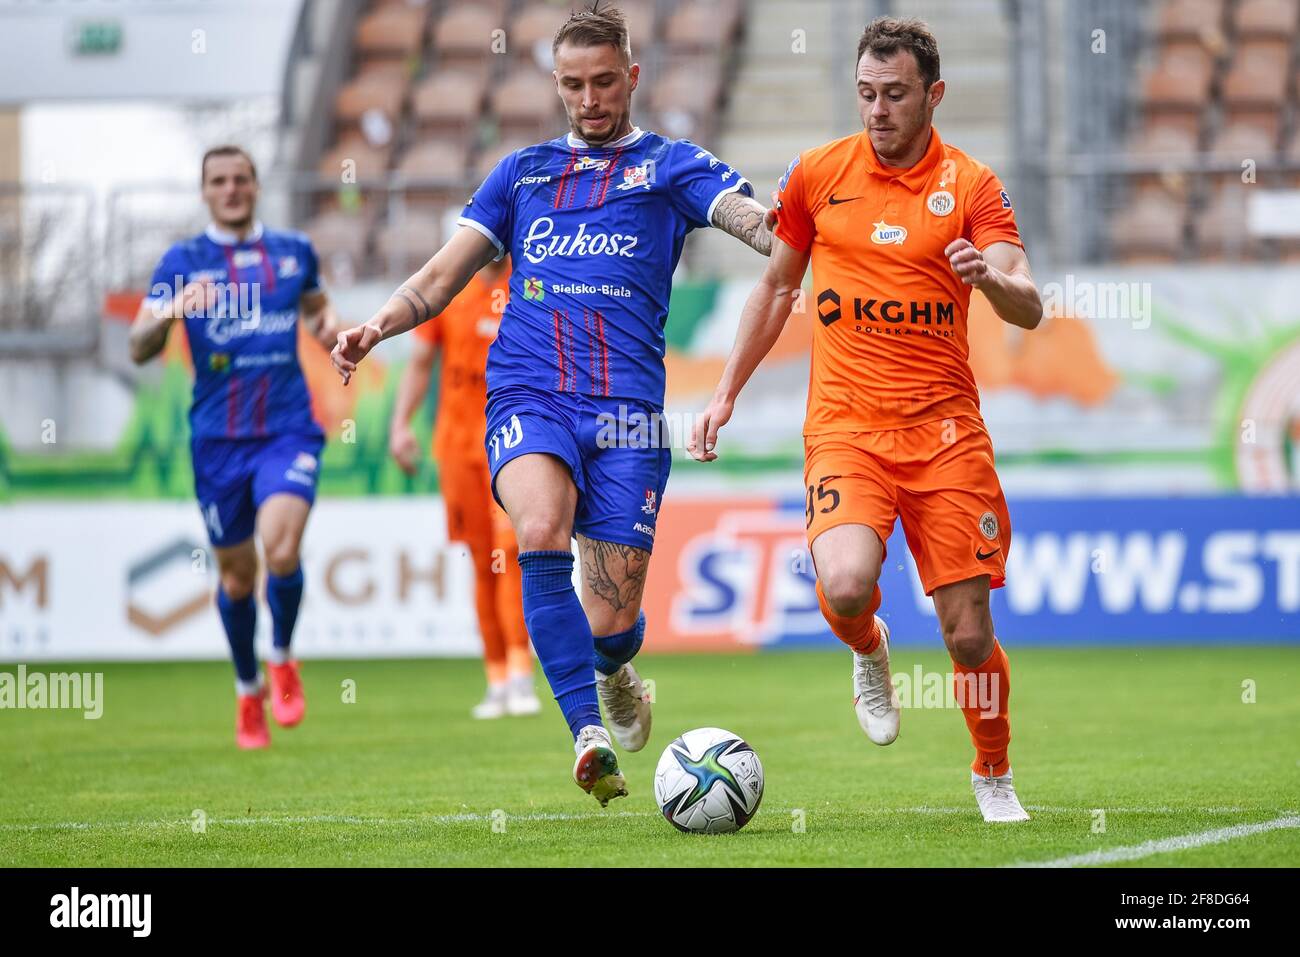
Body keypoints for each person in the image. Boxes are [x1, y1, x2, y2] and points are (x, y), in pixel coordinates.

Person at [331, 4, 773, 805]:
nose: (590, 98)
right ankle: (588, 735)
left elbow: (749, 219)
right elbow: (439, 277)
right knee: (537, 527)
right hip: (530, 392)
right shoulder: (523, 174)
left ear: (632, 76)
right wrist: (378, 326)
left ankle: (613, 670)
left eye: (605, 81)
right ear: (557, 85)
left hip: (629, 413)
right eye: (573, 84)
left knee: (611, 619)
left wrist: (788, 237)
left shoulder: (669, 166)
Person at [690, 17, 1043, 822]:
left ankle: (992, 770)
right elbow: (778, 288)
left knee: (965, 634)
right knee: (845, 586)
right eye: (866, 94)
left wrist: (987, 276)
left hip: (947, 435)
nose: (877, 110)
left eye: (894, 95)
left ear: (933, 95)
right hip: (846, 427)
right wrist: (723, 394)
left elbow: (1029, 305)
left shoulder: (973, 185)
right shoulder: (817, 174)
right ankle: (869, 647)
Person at [129, 145, 341, 749]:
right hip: (218, 439)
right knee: (238, 578)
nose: (231, 189)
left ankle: (281, 657)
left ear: (255, 185)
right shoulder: (183, 260)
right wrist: (170, 309)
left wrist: (336, 335)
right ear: (205, 191)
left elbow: (318, 314)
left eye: (241, 179)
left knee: (281, 547)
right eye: (219, 181)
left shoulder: (293, 251)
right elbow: (137, 346)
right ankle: (248, 691)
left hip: (287, 429)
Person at [389, 255, 541, 719]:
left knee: (512, 552)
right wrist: (400, 424)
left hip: (512, 441)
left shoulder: (532, 282)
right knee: (482, 562)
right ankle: (496, 678)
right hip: (456, 447)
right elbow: (420, 361)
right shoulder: (450, 284)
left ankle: (521, 672)